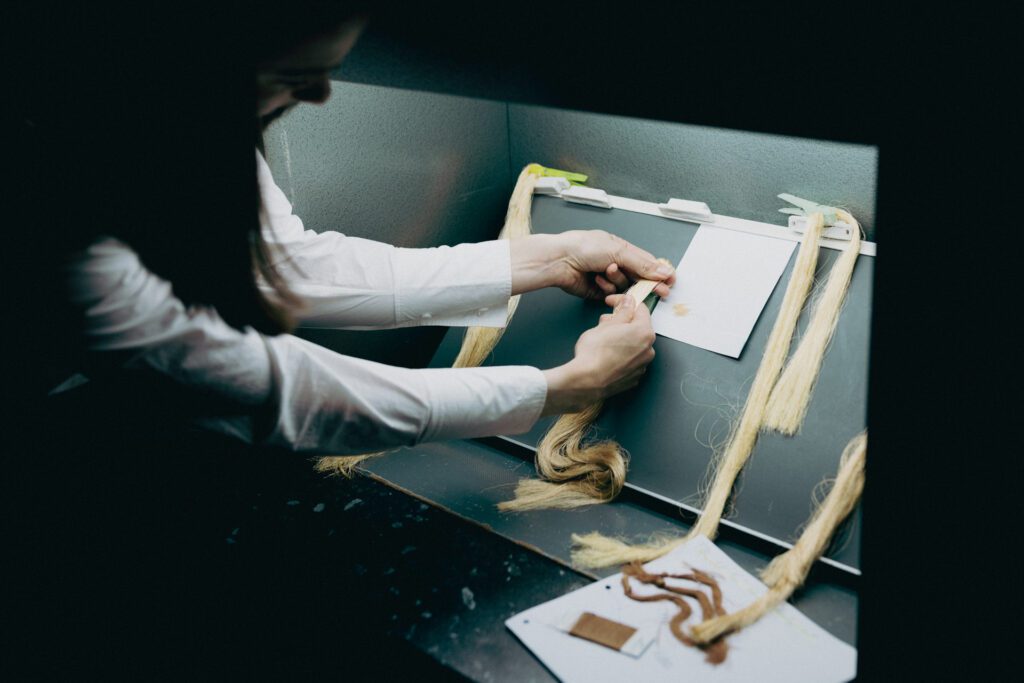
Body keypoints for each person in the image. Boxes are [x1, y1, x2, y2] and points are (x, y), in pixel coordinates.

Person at [46, 11, 675, 459]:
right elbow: (279, 393)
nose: (320, 94)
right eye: (294, 74)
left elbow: (286, 266)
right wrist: (562, 387)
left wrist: (542, 258)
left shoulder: (194, 127)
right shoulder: (61, 215)